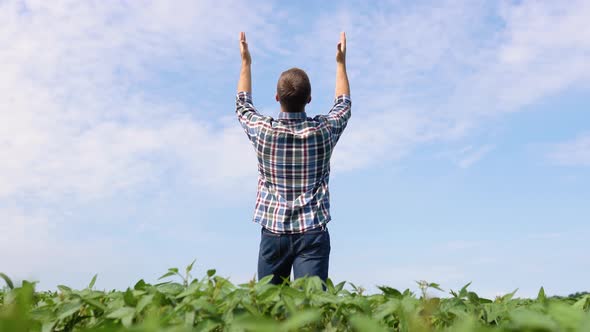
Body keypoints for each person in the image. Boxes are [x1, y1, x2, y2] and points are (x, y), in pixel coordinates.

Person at [236, 31, 351, 286]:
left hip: (273, 233)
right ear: (309, 100)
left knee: (267, 309)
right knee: (312, 309)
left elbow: (243, 105)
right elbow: (343, 106)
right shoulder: (322, 132)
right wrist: (340, 63)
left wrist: (246, 62)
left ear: (278, 99)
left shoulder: (264, 132)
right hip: (312, 233)